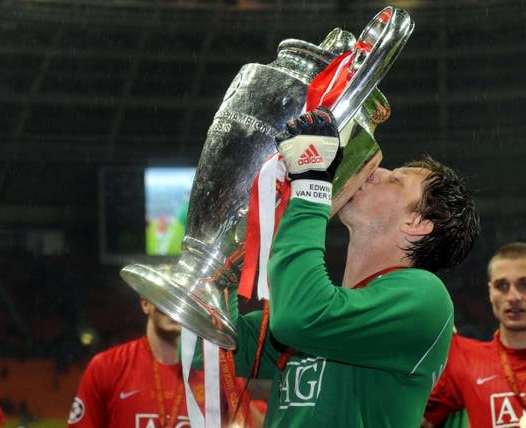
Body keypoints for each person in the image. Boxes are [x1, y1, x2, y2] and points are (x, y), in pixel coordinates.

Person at [224, 106, 480, 427]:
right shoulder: (335, 306)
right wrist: (231, 250)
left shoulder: (426, 298)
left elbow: (301, 317)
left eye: (395, 180)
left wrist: (312, 185)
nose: (375, 172)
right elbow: (212, 349)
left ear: (417, 223)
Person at [423, 242, 526, 428]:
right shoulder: (464, 358)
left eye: (524, 285)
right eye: (502, 285)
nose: (514, 297)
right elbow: (415, 420)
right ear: (490, 292)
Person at [68, 297, 206, 427]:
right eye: (165, 295)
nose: (175, 305)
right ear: (145, 303)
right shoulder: (106, 366)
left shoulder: (213, 375)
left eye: (183, 297)